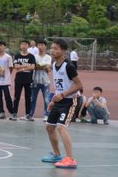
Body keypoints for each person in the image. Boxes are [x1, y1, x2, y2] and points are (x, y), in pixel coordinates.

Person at [41, 38, 83, 169]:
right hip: (59, 100)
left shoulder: (69, 66)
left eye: (56, 48)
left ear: (63, 51)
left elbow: (79, 85)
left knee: (61, 127)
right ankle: (57, 154)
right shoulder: (54, 65)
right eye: (52, 48)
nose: (52, 50)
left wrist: (63, 95)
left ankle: (70, 159)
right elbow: (59, 86)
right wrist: (53, 100)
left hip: (70, 101)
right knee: (49, 127)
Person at [12, 40, 36, 121]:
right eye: (22, 44)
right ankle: (14, 113)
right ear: (20, 46)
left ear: (28, 46)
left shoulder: (31, 56)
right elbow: (16, 66)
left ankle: (28, 114)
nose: (23, 46)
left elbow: (32, 67)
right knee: (16, 96)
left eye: (25, 44)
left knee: (28, 97)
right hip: (19, 79)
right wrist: (26, 66)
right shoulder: (17, 55)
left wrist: (21, 68)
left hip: (28, 80)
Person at [28, 39, 52, 122]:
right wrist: (43, 66)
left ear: (45, 47)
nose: (40, 47)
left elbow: (48, 67)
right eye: (39, 45)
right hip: (35, 81)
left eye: (42, 45)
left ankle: (46, 115)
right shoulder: (34, 56)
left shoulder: (48, 57)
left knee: (46, 99)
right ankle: (30, 114)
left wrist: (38, 66)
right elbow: (32, 67)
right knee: (32, 99)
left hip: (45, 82)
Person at [0, 40, 14, 119]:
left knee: (7, 97)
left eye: (1, 45)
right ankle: (1, 112)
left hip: (5, 82)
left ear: (4, 47)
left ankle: (12, 113)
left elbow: (11, 68)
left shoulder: (8, 57)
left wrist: (7, 75)